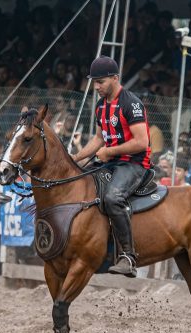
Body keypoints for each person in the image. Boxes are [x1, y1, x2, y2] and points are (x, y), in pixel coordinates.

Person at [71, 55, 151, 277]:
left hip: (134, 164)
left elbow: (141, 142)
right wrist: (75, 159)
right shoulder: (100, 105)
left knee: (112, 198)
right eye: (94, 82)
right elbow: (98, 139)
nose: (96, 87)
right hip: (111, 162)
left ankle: (127, 256)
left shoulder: (131, 103)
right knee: (78, 186)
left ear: (115, 78)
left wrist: (109, 151)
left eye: (100, 82)